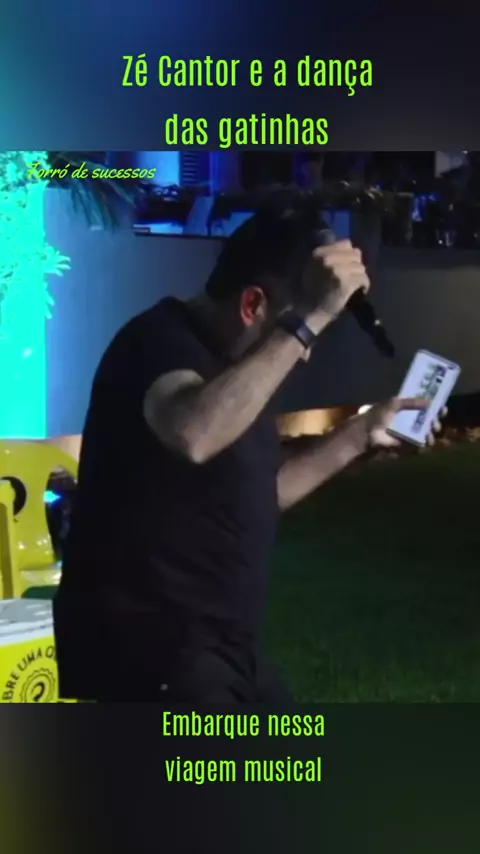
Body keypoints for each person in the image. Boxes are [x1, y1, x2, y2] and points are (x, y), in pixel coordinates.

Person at [53, 191, 439, 703]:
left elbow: (262, 493)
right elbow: (193, 433)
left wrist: (360, 434)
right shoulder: (155, 343)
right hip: (148, 653)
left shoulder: (240, 373)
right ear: (252, 305)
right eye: (300, 333)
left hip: (225, 650)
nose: (302, 356)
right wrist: (307, 321)